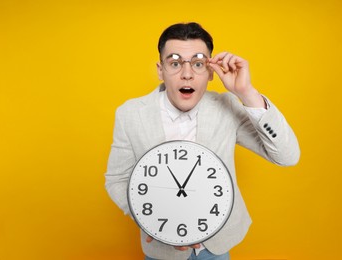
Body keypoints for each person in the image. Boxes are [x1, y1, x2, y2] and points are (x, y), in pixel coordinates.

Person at [105, 22, 300, 260]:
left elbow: (288, 156)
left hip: (216, 246)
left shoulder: (226, 106)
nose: (187, 73)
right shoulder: (131, 114)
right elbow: (117, 178)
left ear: (210, 72)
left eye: (198, 64)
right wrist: (148, 218)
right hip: (161, 251)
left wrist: (246, 92)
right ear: (160, 70)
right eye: (175, 63)